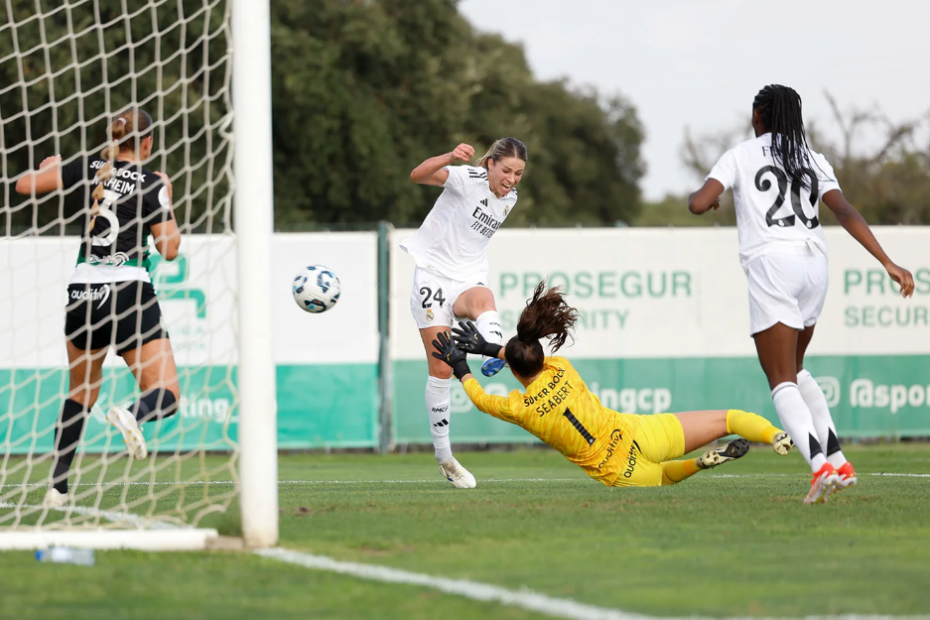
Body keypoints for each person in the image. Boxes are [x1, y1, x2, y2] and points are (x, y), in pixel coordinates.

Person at [687, 84, 915, 503]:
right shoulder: (812, 158)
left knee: (779, 380)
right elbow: (843, 210)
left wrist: (710, 199)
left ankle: (819, 466)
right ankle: (839, 461)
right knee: (796, 368)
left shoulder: (741, 154)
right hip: (815, 264)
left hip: (772, 264)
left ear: (758, 116)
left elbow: (699, 204)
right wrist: (887, 261)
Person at [431, 282, 793, 488]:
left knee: (666, 479)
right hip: (637, 431)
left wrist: (462, 364)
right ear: (541, 356)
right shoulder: (562, 368)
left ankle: (699, 464)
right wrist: (490, 347)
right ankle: (775, 434)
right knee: (729, 417)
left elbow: (480, 399)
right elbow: (525, 357)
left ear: (516, 371)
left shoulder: (521, 409)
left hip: (615, 467)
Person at [15, 108, 182, 508]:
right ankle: (132, 411)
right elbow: (169, 249)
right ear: (147, 142)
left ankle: (56, 488)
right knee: (167, 393)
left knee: (81, 391)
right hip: (127, 289)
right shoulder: (151, 181)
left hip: (82, 291)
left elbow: (23, 185)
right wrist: (167, 199)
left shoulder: (91, 168)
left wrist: (53, 166)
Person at [402, 138, 526, 488]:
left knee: (484, 300)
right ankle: (445, 458)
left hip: (468, 277)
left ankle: (495, 350)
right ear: (490, 165)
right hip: (432, 276)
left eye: (518, 173)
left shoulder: (510, 199)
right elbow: (417, 175)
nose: (512, 179)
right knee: (442, 369)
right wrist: (448, 157)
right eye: (506, 171)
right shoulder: (465, 178)